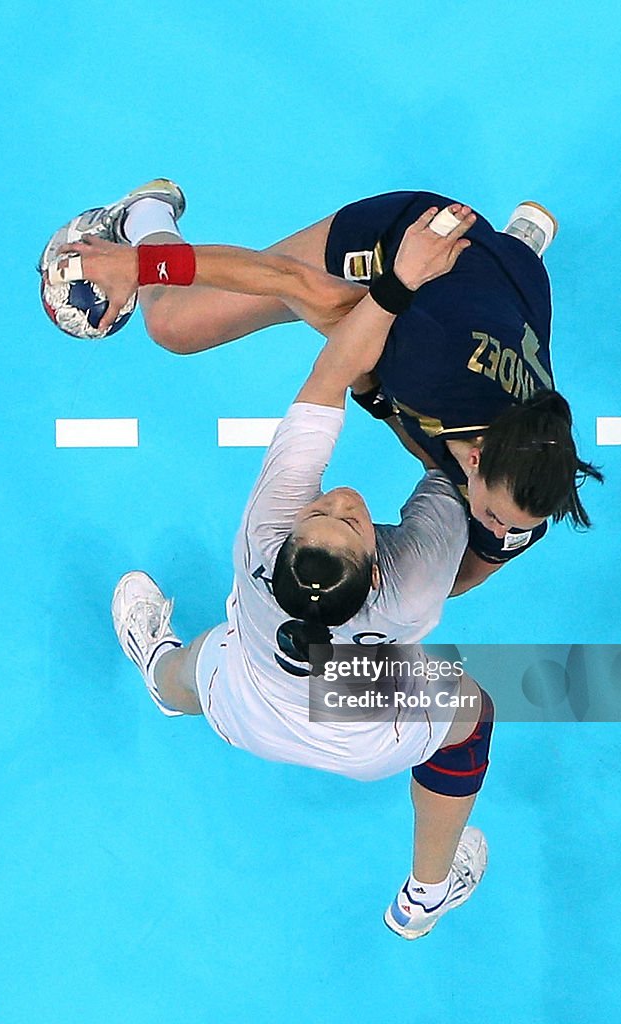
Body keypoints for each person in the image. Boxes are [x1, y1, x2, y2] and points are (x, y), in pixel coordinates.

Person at [109, 206, 495, 939]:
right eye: (350, 519)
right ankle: (423, 895)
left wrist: (390, 298)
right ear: (373, 565)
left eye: (327, 510)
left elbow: (329, 369)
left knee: (197, 669)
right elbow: (447, 469)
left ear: (282, 553)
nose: (342, 497)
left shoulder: (263, 533)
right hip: (367, 737)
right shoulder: (410, 590)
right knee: (470, 717)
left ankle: (156, 666)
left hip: (247, 702)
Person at [48, 180, 603, 595]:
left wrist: (359, 587)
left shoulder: (535, 474)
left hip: (515, 288)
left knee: (430, 414)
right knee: (175, 325)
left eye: (516, 526)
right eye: (501, 518)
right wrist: (142, 264)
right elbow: (287, 281)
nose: (503, 529)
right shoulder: (422, 360)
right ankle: (144, 215)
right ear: (477, 457)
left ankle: (518, 242)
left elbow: (456, 575)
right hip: (406, 245)